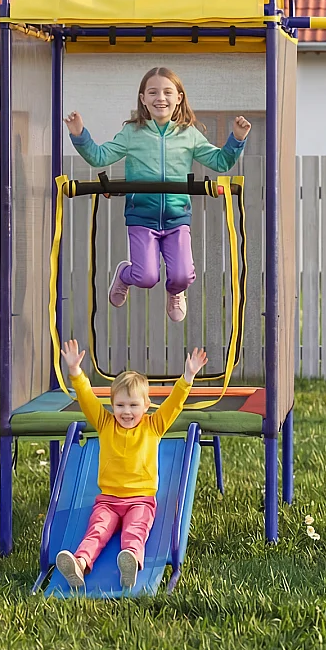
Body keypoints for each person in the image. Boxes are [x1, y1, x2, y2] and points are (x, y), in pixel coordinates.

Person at [65, 67, 251, 322]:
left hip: (177, 218)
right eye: (152, 92)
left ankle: (175, 292)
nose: (160, 98)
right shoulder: (132, 133)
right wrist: (79, 134)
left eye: (167, 92)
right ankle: (124, 275)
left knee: (183, 276)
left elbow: (220, 162)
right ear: (143, 99)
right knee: (146, 277)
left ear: (179, 98)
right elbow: (100, 157)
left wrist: (237, 139)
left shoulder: (189, 134)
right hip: (142, 216)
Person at [53, 338, 208, 591]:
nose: (127, 411)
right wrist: (75, 372)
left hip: (141, 499)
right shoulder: (104, 424)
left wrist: (188, 377)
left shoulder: (154, 426)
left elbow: (174, 404)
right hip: (108, 500)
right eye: (120, 405)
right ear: (112, 405)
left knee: (135, 531)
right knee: (97, 530)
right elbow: (86, 399)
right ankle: (79, 564)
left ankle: (131, 562)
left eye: (134, 405)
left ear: (146, 406)